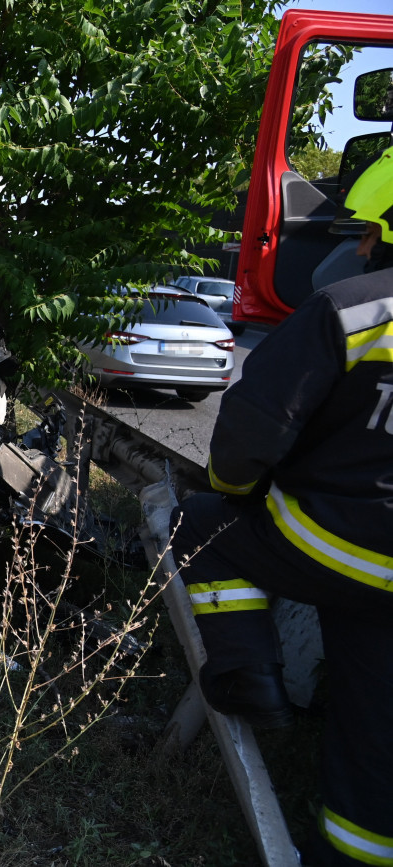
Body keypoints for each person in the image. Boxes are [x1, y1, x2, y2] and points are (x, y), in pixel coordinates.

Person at [171, 146, 393, 867]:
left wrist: (234, 491)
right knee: (373, 734)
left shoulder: (353, 308)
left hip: (330, 543)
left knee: (200, 523)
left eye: (361, 231)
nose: (356, 244)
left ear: (380, 234)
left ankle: (249, 676)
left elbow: (247, 432)